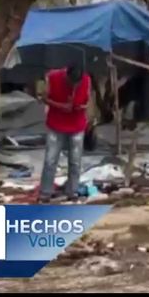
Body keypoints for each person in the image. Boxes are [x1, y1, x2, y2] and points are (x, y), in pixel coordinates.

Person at [39, 62, 91, 203]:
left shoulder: (86, 79)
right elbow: (43, 98)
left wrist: (82, 106)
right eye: (71, 82)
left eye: (77, 83)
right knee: (51, 160)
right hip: (56, 124)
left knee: (75, 161)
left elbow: (88, 100)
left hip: (77, 124)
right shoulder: (53, 77)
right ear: (66, 75)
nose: (74, 86)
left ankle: (72, 190)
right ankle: (45, 192)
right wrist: (60, 106)